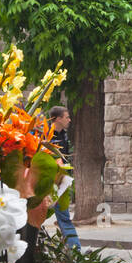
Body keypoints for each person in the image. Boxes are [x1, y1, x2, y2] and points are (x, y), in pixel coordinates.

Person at [47, 106, 81, 250]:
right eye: (66, 117)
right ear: (58, 119)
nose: (69, 120)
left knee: (64, 217)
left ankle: (75, 249)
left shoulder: (63, 136)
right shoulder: (46, 136)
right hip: (48, 183)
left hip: (61, 183)